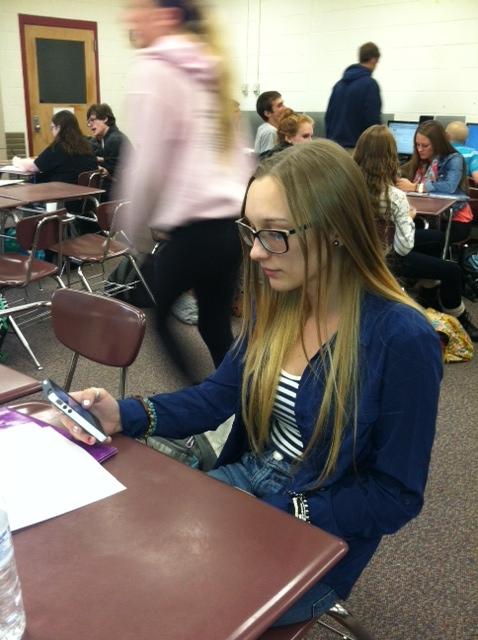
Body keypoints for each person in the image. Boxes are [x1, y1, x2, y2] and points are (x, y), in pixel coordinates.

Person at [65, 140, 443, 627]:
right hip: (252, 481)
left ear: (335, 232)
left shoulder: (401, 338)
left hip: (323, 528)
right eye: (252, 231)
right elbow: (215, 398)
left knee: (179, 607)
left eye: (276, 234)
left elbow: (395, 495)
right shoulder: (281, 305)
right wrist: (123, 413)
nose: (258, 251)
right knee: (136, 563)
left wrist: (291, 506)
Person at [118, 0, 251, 380]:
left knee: (158, 321)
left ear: (167, 16)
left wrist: (136, 230)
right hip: (226, 232)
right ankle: (242, 405)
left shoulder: (155, 69)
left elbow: (146, 167)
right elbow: (236, 157)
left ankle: (204, 406)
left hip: (192, 232)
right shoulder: (210, 68)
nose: (129, 18)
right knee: (214, 326)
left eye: (138, 9)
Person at [355, 124, 478, 341]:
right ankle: (459, 316)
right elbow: (404, 247)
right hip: (388, 256)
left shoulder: (348, 187)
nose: (419, 149)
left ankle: (428, 290)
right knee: (452, 271)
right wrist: (409, 219)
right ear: (390, 156)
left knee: (436, 240)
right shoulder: (394, 197)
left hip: (360, 254)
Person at [397, 120, 473, 246]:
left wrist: (415, 187)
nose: (420, 149)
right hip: (426, 217)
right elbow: (400, 172)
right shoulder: (421, 160)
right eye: (417, 145)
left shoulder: (454, 159)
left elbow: (449, 187)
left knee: (408, 237)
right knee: (399, 231)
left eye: (425, 145)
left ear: (438, 144)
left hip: (453, 221)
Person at [325, 42, 382, 150]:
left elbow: (328, 118)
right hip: (356, 150)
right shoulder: (370, 84)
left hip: (334, 149)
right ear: (373, 60)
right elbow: (373, 123)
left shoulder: (338, 85)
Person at [13, 110, 97, 183]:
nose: (52, 131)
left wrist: (17, 161)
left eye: (52, 127)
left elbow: (34, 166)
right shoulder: (87, 145)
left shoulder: (59, 146)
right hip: (87, 197)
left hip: (62, 197)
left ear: (59, 128)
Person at [86, 103, 132, 198]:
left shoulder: (114, 139)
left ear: (105, 119)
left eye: (92, 120)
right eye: (88, 122)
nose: (89, 125)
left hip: (121, 195)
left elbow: (115, 174)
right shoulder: (104, 139)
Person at [254, 91, 286, 156]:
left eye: (283, 104)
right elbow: (268, 161)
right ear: (268, 113)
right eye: (280, 106)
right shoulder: (271, 132)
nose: (285, 108)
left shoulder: (264, 127)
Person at [446, 121, 478, 185]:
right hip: (463, 193)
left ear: (446, 136)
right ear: (467, 138)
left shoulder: (440, 152)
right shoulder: (473, 154)